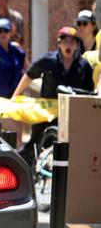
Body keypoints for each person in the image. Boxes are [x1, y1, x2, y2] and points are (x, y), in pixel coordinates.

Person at [12, 26, 94, 166]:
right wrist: (15, 95)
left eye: (72, 42)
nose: (69, 45)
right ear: (59, 43)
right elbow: (29, 75)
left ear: (77, 44)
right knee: (33, 143)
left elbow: (89, 91)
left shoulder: (84, 65)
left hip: (71, 113)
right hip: (46, 113)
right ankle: (26, 166)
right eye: (65, 41)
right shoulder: (48, 60)